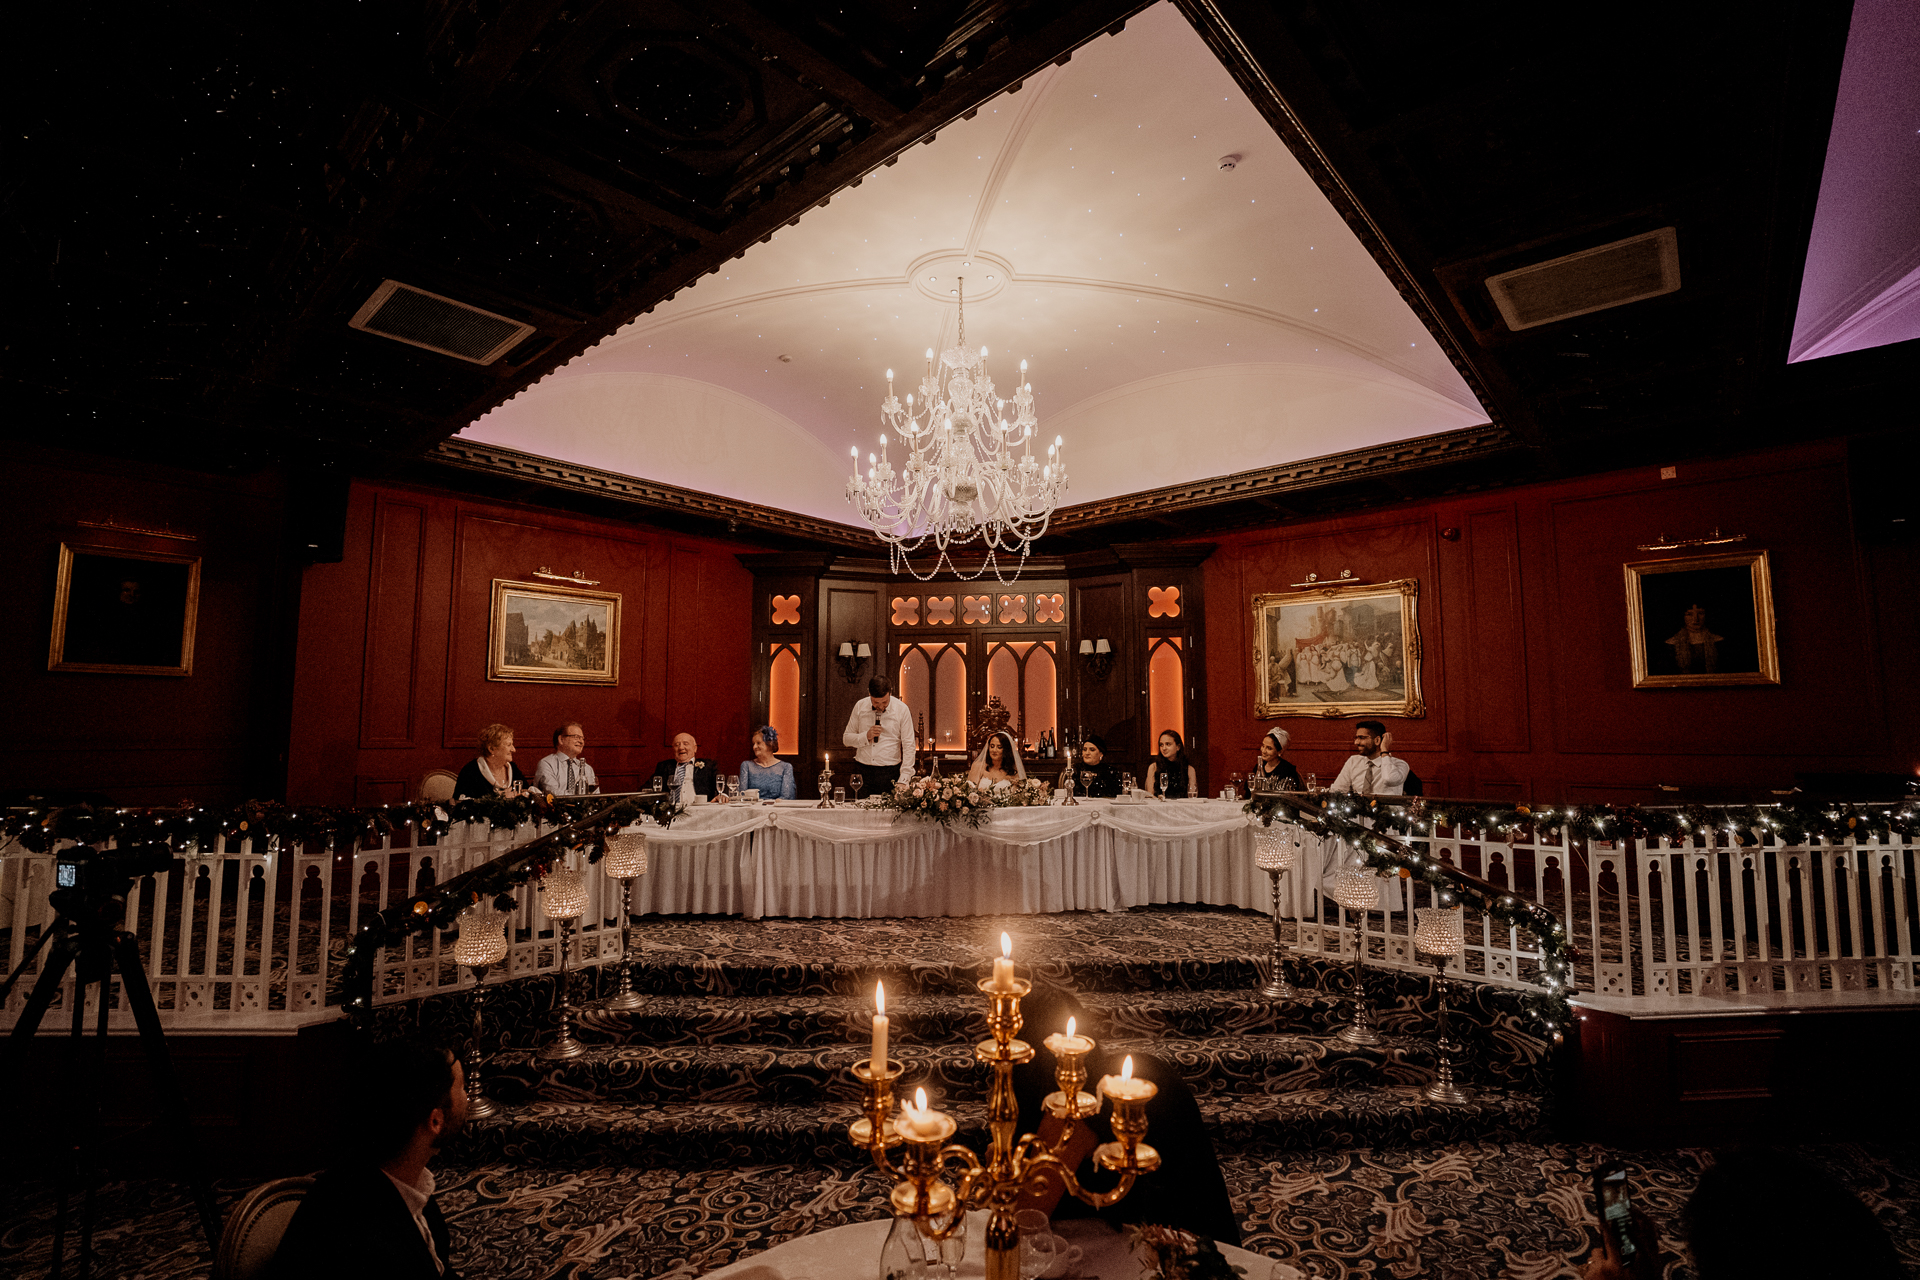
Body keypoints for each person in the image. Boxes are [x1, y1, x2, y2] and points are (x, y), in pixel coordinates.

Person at [267, 1039, 467, 1279]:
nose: (467, 1097)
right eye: (462, 1087)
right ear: (435, 1121)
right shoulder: (362, 1235)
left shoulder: (399, 1178)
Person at [842, 675, 916, 796]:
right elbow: (846, 739)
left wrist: (904, 778)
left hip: (890, 773)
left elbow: (909, 745)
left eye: (885, 702)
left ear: (890, 692)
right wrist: (865, 736)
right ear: (869, 694)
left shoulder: (902, 709)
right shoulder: (860, 706)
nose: (880, 706)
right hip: (862, 771)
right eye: (876, 702)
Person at [1327, 720, 1407, 795]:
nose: (1356, 742)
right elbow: (1337, 790)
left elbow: (1389, 779)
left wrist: (1384, 750)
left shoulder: (1400, 764)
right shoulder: (1353, 761)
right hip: (1358, 809)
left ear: (1377, 741)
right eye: (1356, 738)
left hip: (1387, 810)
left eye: (1362, 738)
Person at [452, 723, 528, 799]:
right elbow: (463, 806)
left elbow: (528, 792)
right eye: (509, 745)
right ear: (491, 749)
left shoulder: (513, 769)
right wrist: (500, 798)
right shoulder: (470, 772)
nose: (513, 750)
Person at [650, 733, 718, 805]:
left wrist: (723, 795)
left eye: (685, 744)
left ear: (695, 748)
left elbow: (722, 783)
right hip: (671, 810)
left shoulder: (709, 765)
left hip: (700, 809)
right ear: (673, 749)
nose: (681, 748)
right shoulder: (664, 766)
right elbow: (648, 787)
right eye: (677, 745)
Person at [534, 722, 599, 796]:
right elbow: (553, 795)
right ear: (561, 739)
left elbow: (595, 796)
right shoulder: (547, 764)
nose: (581, 742)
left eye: (582, 738)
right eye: (576, 737)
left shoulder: (587, 768)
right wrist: (581, 795)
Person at [738, 725, 797, 800]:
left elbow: (786, 797)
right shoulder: (747, 766)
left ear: (770, 744)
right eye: (753, 744)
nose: (754, 747)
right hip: (753, 809)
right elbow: (742, 795)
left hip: (776, 809)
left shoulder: (786, 767)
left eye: (758, 743)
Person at [1666, 603, 1724, 674]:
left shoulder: (1718, 641)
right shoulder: (1671, 643)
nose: (1695, 619)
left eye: (1700, 613)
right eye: (1689, 614)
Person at [1144, 729, 1197, 799]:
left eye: (1168, 744)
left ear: (1178, 747)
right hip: (1159, 807)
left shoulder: (1189, 769)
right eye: (1161, 745)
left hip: (1182, 807)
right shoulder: (1154, 767)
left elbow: (1192, 796)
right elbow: (1150, 796)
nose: (1164, 748)